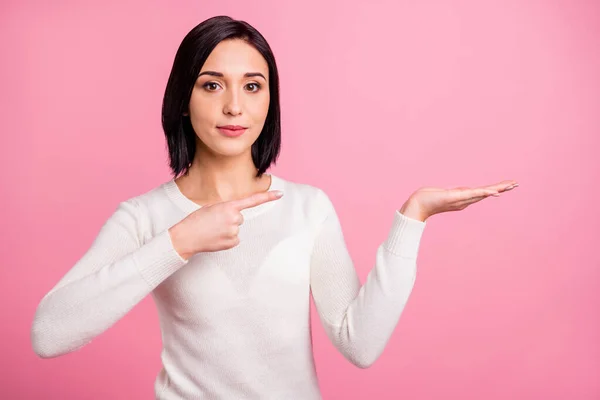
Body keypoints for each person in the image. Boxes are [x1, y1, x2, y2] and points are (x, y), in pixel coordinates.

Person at [30, 15, 518, 400]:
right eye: (212, 84)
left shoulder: (308, 208)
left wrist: (412, 219)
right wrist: (178, 242)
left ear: (269, 100)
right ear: (183, 98)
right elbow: (49, 335)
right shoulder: (143, 218)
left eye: (252, 85)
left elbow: (359, 344)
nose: (234, 108)